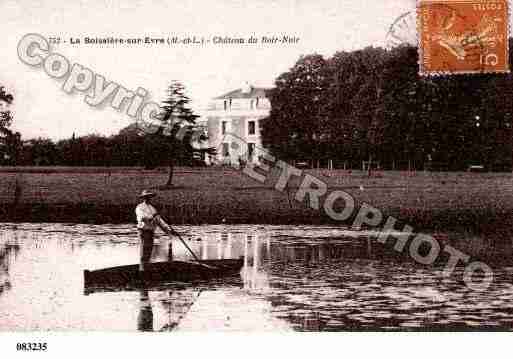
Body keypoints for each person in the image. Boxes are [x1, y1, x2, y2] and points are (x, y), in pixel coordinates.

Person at [135, 190, 178, 271]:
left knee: (149, 253)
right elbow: (142, 217)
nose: (148, 198)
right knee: (144, 252)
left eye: (149, 197)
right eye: (146, 197)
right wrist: (152, 217)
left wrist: (169, 230)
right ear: (143, 198)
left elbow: (160, 222)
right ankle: (142, 270)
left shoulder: (153, 208)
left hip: (151, 232)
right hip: (143, 232)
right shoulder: (139, 207)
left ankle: (146, 269)